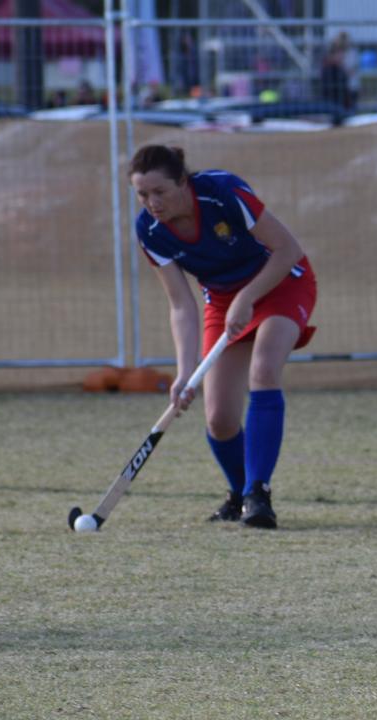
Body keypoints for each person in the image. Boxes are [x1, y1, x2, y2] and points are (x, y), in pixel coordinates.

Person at [128, 145, 317, 530]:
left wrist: (247, 298)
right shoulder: (148, 230)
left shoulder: (222, 191)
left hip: (280, 281)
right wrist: (184, 371)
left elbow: (288, 250)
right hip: (224, 300)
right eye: (143, 195)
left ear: (183, 182)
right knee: (219, 418)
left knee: (263, 371)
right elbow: (181, 304)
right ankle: (238, 494)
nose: (152, 203)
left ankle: (258, 494)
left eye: (160, 192)